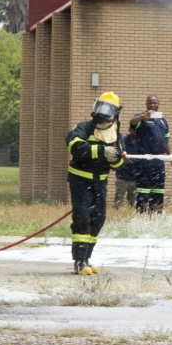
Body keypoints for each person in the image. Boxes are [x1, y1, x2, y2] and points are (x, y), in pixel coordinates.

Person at [66, 92, 124, 275]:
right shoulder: (83, 127)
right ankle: (79, 261)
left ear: (114, 113)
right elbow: (74, 146)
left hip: (100, 183)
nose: (102, 112)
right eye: (101, 107)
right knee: (82, 218)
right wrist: (101, 150)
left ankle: (87, 258)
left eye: (107, 109)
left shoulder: (115, 135)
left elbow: (120, 163)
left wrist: (115, 158)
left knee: (97, 219)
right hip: (80, 180)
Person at [130, 95, 172, 215]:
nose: (152, 105)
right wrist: (142, 117)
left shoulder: (162, 120)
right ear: (146, 104)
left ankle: (156, 217)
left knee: (158, 191)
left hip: (159, 160)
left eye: (154, 103)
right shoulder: (140, 117)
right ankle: (141, 218)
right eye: (150, 103)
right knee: (143, 191)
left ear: (158, 104)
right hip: (144, 160)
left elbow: (166, 141)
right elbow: (132, 122)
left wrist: (171, 157)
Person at [113, 126, 138, 209]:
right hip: (122, 177)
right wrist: (128, 159)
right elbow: (117, 154)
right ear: (130, 130)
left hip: (135, 177)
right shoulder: (123, 141)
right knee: (118, 201)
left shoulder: (141, 142)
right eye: (134, 130)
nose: (135, 132)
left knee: (134, 203)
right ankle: (116, 217)